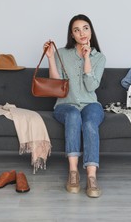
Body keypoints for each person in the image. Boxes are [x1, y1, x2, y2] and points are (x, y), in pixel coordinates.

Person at [43, 14, 106, 198]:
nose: (82, 33)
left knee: (89, 123)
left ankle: (91, 176)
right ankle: (73, 172)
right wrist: (50, 58)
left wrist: (87, 57)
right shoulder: (62, 53)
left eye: (85, 28)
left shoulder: (99, 58)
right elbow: (56, 84)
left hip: (91, 105)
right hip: (65, 105)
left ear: (91, 31)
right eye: (77, 30)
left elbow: (91, 86)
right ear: (72, 35)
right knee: (73, 115)